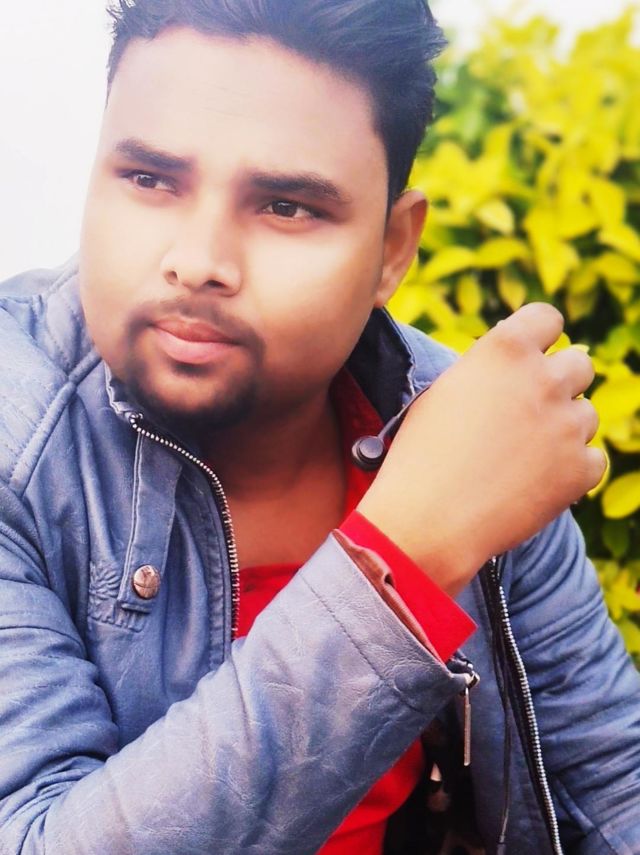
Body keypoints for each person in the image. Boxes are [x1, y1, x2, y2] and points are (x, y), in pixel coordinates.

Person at [0, 1, 638, 853]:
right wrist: (402, 558)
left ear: (391, 250)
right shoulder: (17, 430)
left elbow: (609, 783)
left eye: (286, 205)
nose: (197, 261)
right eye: (150, 179)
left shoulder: (467, 433)